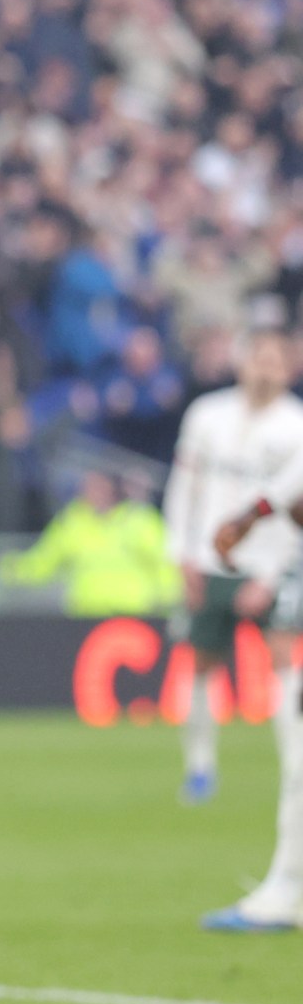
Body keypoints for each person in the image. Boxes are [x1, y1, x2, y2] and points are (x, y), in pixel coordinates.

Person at [160, 328, 303, 806]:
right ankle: (199, 769)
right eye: (258, 358)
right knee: (202, 662)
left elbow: (295, 511)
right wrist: (182, 552)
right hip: (210, 560)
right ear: (242, 363)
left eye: (275, 361)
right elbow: (185, 488)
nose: (265, 369)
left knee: (285, 657)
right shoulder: (207, 415)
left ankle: (294, 768)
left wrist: (272, 574)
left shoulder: (296, 426)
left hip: (271, 565)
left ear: (289, 369)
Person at [0, 471, 179, 617]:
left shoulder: (140, 520)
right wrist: (15, 569)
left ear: (112, 489)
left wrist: (168, 601)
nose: (93, 492)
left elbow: (165, 562)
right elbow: (46, 559)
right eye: (88, 487)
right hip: (85, 615)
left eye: (99, 486)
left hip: (135, 614)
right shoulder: (73, 521)